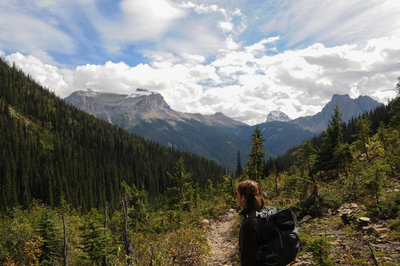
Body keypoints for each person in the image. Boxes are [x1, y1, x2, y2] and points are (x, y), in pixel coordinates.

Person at [237, 180, 278, 266]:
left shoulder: (250, 223)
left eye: (237, 193)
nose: (236, 196)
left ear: (243, 198)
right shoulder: (267, 212)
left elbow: (247, 259)